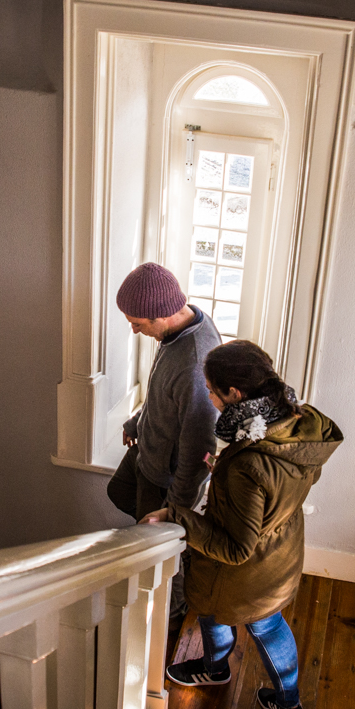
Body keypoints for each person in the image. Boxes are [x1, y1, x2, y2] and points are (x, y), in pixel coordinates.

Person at [142, 340, 342, 709]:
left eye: (212, 391)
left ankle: (215, 669)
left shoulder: (248, 463)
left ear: (235, 394)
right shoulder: (297, 424)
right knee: (269, 624)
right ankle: (289, 704)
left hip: (242, 573)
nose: (210, 399)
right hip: (281, 553)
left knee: (216, 614)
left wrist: (175, 515)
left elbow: (235, 549)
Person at [107, 262, 221, 613]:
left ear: (160, 315)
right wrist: (137, 423)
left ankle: (171, 618)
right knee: (118, 491)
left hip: (166, 478)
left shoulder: (194, 363)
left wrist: (175, 511)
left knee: (159, 554)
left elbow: (199, 449)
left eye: (137, 324)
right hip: (146, 451)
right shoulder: (176, 332)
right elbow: (162, 393)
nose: (134, 330)